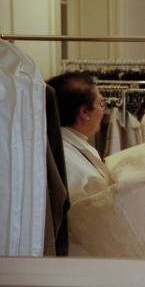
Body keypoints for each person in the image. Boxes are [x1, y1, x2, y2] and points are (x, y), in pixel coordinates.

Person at [47, 72, 113, 204]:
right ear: (84, 112)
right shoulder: (67, 162)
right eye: (101, 103)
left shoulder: (73, 145)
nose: (104, 110)